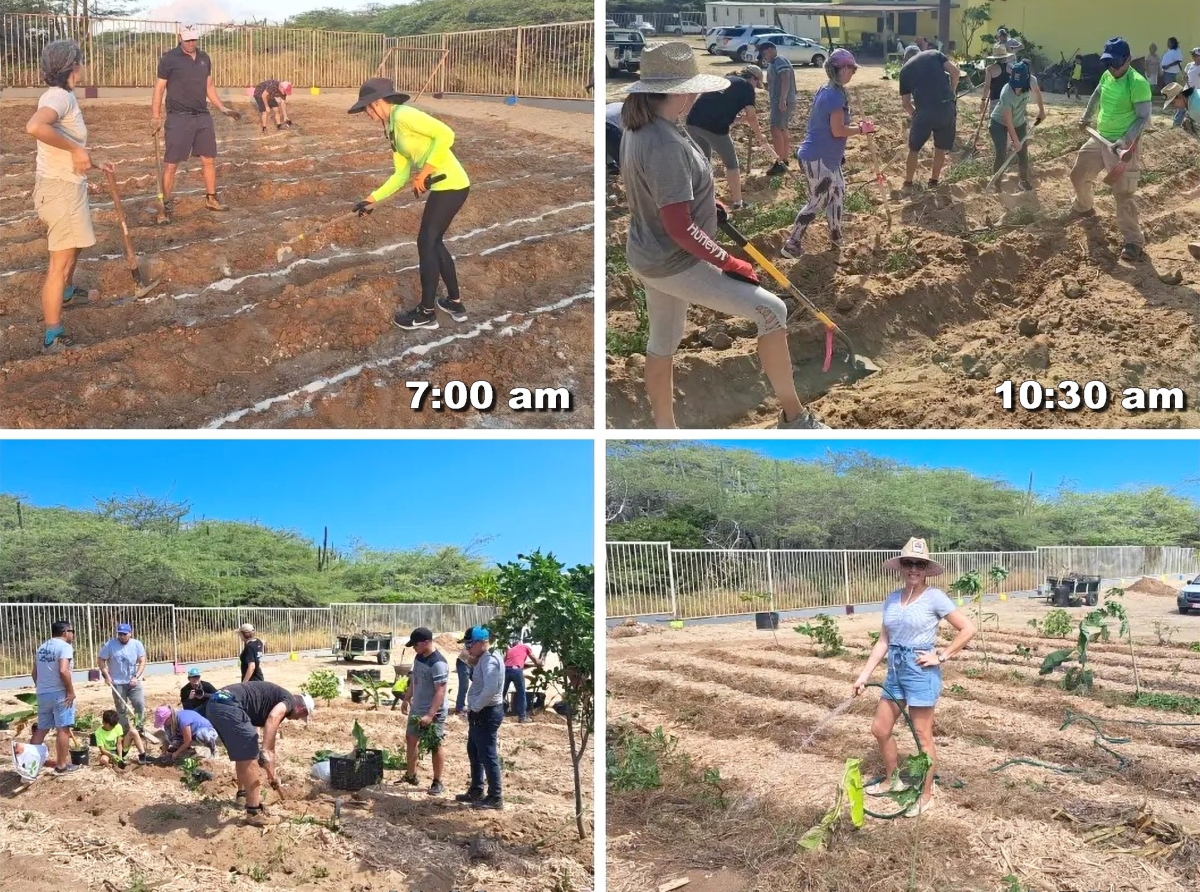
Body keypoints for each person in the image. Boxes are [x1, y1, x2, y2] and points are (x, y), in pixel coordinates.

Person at [618, 42, 825, 430]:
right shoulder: (663, 142)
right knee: (772, 311)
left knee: (662, 343)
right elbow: (680, 227)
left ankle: (665, 429)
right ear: (677, 93)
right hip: (674, 261)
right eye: (692, 88)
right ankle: (795, 418)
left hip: (647, 255)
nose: (697, 95)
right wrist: (728, 261)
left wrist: (704, 205)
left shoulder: (642, 128)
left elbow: (662, 197)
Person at [851, 538, 976, 817]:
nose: (913, 569)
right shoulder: (893, 598)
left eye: (919, 564)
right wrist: (863, 675)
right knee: (880, 729)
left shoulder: (935, 597)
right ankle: (891, 779)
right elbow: (883, 640)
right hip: (895, 669)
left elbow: (968, 628)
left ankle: (925, 794)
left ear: (926, 569)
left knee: (922, 736)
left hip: (920, 671)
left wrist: (941, 656)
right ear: (901, 566)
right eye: (909, 563)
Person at [348, 77, 471, 332]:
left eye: (367, 107)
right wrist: (372, 199)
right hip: (443, 185)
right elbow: (401, 175)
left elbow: (446, 134)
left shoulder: (404, 114)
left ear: (378, 102)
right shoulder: (392, 128)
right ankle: (454, 303)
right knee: (433, 242)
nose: (366, 113)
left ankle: (426, 313)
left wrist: (425, 172)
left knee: (426, 241)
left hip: (452, 183)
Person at [24, 40, 112, 354]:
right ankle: (53, 335)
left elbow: (61, 141)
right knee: (58, 265)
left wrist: (91, 160)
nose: (82, 67)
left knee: (72, 251)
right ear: (72, 67)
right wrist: (77, 150)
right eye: (81, 62)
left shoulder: (60, 96)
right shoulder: (59, 97)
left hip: (63, 186)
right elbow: (35, 126)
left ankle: (68, 293)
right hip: (60, 192)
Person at [781, 50, 877, 259]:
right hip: (818, 158)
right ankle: (792, 243)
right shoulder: (833, 94)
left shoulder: (832, 90)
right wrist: (862, 130)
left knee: (838, 193)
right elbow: (838, 130)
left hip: (829, 158)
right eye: (852, 68)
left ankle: (835, 237)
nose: (853, 72)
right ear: (841, 69)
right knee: (818, 201)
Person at [1069, 38, 1152, 261]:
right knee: (1078, 174)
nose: (1112, 68)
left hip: (1123, 144)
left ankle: (1134, 241)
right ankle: (1084, 205)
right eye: (1108, 63)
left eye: (1115, 63)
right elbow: (1097, 94)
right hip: (1100, 137)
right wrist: (1086, 117)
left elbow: (1144, 117)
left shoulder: (1137, 82)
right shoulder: (1107, 75)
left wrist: (1125, 140)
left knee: (1123, 194)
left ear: (1127, 60)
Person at [151, 25, 241, 220]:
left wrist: (222, 108)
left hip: (202, 116)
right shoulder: (169, 59)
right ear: (180, 38)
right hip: (178, 117)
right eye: (187, 40)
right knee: (171, 164)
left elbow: (209, 86)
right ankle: (164, 204)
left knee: (209, 159)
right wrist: (155, 116)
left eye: (194, 40)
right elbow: (159, 89)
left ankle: (211, 198)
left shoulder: (204, 58)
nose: (191, 43)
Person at [206, 682, 313, 826]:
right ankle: (254, 812)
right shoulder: (289, 701)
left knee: (243, 753)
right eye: (302, 716)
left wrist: (272, 772)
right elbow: (273, 717)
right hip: (229, 705)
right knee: (250, 756)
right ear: (301, 708)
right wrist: (264, 751)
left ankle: (242, 796)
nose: (298, 719)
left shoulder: (272, 700)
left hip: (215, 704)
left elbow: (270, 740)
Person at [686, 66, 775, 210]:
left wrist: (737, 120)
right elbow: (752, 116)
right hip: (714, 127)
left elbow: (718, 105)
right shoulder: (747, 87)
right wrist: (760, 135)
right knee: (732, 164)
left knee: (703, 163)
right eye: (756, 84)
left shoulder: (727, 79)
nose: (755, 87)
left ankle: (702, 201)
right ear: (753, 78)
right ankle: (738, 203)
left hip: (693, 121)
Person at [899, 44, 961, 190]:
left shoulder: (905, 70)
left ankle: (908, 183)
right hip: (946, 108)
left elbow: (906, 104)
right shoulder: (934, 54)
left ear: (906, 58)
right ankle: (933, 181)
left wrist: (915, 115)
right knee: (940, 148)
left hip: (924, 111)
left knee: (914, 149)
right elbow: (955, 72)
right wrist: (952, 91)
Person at [456, 626, 505, 809]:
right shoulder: (483, 658)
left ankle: (495, 797)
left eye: (470, 644)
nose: (468, 648)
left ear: (482, 642)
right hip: (479, 711)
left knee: (487, 754)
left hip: (486, 712)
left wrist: (475, 707)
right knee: (475, 752)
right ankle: (476, 790)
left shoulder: (490, 660)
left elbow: (490, 689)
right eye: (466, 644)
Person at [397, 627, 448, 795]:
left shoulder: (438, 663)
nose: (414, 648)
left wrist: (431, 715)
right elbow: (415, 679)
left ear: (426, 642)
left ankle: (437, 781)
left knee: (435, 744)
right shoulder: (419, 656)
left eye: (416, 645)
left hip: (433, 712)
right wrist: (406, 697)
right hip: (417, 708)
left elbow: (441, 691)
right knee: (411, 738)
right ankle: (411, 775)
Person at [30, 620, 78, 776]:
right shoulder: (65, 647)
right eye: (72, 631)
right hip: (59, 694)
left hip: (43, 694)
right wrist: (70, 692)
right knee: (63, 728)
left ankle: (30, 763)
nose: (73, 634)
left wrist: (42, 688)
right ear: (65, 632)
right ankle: (62, 766)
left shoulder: (42, 647)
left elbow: (34, 673)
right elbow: (64, 671)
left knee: (42, 728)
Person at [989, 60, 1045, 191]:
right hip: (999, 122)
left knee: (1023, 152)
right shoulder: (1006, 93)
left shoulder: (1032, 81)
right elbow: (1007, 120)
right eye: (1015, 85)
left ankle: (1023, 181)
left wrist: (1041, 111)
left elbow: (1037, 93)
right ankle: (996, 185)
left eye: (1020, 85)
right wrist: (1015, 141)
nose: (1017, 88)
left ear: (1027, 78)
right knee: (1001, 152)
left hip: (1019, 121)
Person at [98, 622, 147, 733]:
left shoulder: (137, 644)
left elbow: (142, 661)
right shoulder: (110, 645)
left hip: (133, 681)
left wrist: (136, 676)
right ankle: (125, 730)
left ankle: (139, 727)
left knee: (139, 704)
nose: (122, 636)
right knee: (121, 708)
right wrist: (106, 675)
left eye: (125, 634)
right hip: (117, 682)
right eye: (120, 634)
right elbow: (101, 659)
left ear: (130, 633)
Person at [761, 42, 796, 176]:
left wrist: (782, 99)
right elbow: (772, 85)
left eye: (765, 54)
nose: (764, 57)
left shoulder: (778, 60)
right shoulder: (773, 64)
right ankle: (784, 160)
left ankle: (780, 162)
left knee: (775, 129)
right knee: (782, 129)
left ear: (771, 50)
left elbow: (785, 77)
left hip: (781, 102)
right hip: (782, 100)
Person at [502, 636, 544, 723]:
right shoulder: (525, 647)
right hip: (516, 671)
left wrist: (532, 665)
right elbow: (537, 662)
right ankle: (522, 717)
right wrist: (541, 661)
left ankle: (498, 715)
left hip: (506, 670)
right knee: (521, 693)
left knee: (502, 693)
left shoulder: (511, 650)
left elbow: (517, 664)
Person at [454, 641, 472, 716]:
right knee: (464, 686)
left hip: (470, 664)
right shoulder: (472, 642)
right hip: (463, 663)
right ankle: (459, 707)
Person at [606, 101, 623, 174]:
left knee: (607, 145)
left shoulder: (618, 105)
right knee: (617, 150)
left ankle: (611, 164)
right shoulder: (629, 110)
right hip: (609, 124)